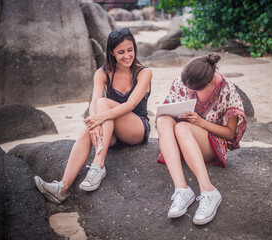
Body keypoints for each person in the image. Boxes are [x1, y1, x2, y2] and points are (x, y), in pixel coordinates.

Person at [34, 28, 152, 204]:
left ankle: (98, 165)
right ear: (112, 53)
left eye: (130, 50)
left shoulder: (144, 73)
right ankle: (62, 188)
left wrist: (99, 118)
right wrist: (95, 124)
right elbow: (93, 102)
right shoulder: (102, 73)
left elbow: (131, 105)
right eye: (121, 52)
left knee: (103, 104)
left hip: (137, 128)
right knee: (87, 131)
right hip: (111, 131)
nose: (127, 56)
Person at [156, 53, 247, 225]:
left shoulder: (226, 89)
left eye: (195, 90)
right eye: (188, 87)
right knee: (162, 120)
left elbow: (229, 133)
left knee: (182, 127)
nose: (190, 91)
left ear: (210, 81)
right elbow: (167, 111)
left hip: (209, 143)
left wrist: (200, 122)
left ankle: (209, 191)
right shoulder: (183, 81)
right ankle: (182, 189)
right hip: (181, 139)